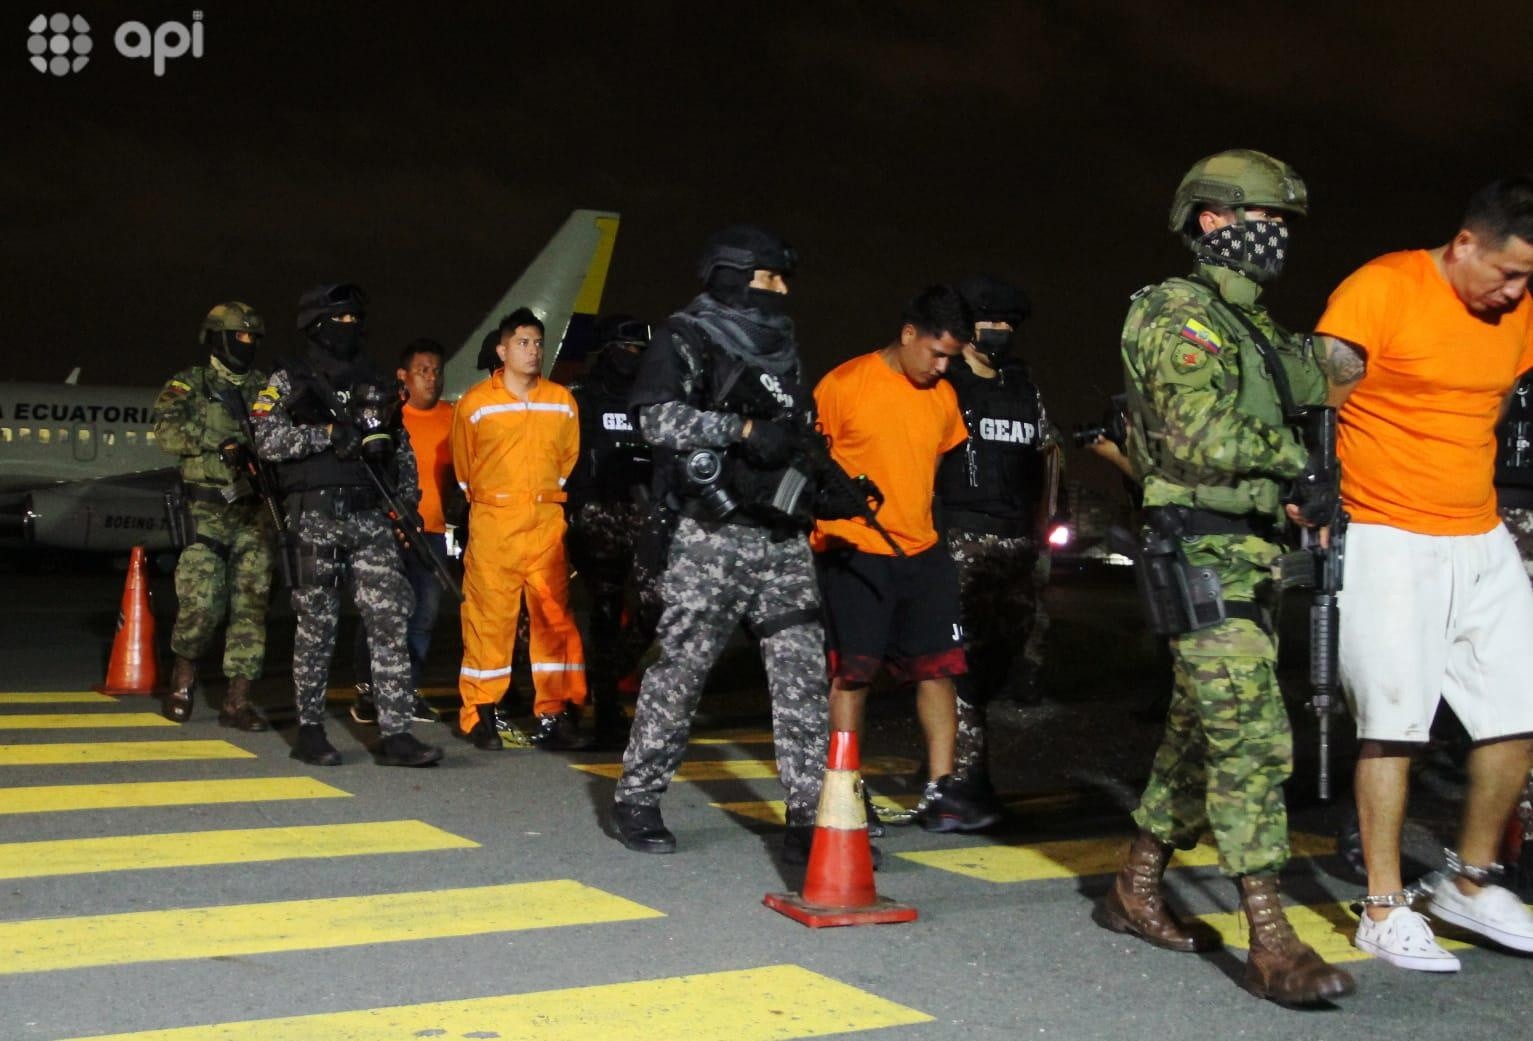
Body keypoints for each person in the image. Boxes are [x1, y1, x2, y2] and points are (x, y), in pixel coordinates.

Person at [1101, 149, 1353, 1005]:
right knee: (1250, 738)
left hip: (1249, 555)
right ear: (1211, 218)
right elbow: (1201, 434)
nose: (1277, 236)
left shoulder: (1253, 326)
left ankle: (1134, 886)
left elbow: (1333, 373)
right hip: (1199, 547)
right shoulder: (1177, 312)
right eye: (1265, 218)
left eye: (1283, 223)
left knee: (1196, 731)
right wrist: (1297, 465)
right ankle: (1270, 936)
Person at [1316, 176, 1533, 969]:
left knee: (1518, 707)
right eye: (1505, 272)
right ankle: (1381, 904)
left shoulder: (1517, 312)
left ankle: (1470, 886)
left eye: (1528, 280)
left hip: (1477, 532)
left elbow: (1497, 399)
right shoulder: (1383, 287)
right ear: (1464, 242)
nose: (1513, 292)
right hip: (1385, 530)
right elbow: (1321, 400)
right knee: (1392, 720)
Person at [613, 225, 829, 861]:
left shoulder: (783, 345)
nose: (784, 290)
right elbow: (654, 418)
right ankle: (638, 797)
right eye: (771, 278)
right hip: (711, 533)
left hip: (780, 534)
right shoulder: (686, 335)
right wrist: (739, 427)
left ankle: (811, 817)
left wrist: (818, 474)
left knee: (802, 677)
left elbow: (795, 428)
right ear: (735, 274)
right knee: (681, 670)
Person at [813, 284, 996, 834]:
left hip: (921, 550)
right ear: (908, 333)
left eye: (952, 357)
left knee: (938, 670)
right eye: (936, 353)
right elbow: (809, 468)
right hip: (853, 550)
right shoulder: (844, 385)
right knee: (853, 674)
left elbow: (929, 474)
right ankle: (845, 789)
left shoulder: (942, 397)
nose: (942, 366)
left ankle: (941, 790)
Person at [251, 283, 443, 768]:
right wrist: (327, 435)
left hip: (370, 515)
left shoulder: (375, 380)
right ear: (315, 323)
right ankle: (310, 729)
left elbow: (398, 449)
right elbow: (267, 440)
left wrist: (406, 507)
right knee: (317, 622)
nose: (349, 328)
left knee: (389, 617)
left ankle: (396, 732)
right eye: (340, 319)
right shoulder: (288, 377)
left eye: (356, 319)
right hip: (315, 514)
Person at [453, 307, 588, 751]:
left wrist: (540, 498)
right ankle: (480, 712)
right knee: (488, 621)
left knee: (553, 620)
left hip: (546, 523)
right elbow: (463, 469)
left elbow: (567, 462)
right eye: (523, 343)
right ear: (502, 349)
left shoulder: (561, 401)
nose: (532, 351)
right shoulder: (476, 404)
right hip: (495, 524)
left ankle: (555, 713)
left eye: (537, 343)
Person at [938, 274, 1048, 811]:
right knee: (961, 663)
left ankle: (951, 756)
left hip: (1016, 544)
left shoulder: (1023, 387)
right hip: (961, 538)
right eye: (991, 321)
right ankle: (964, 781)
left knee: (1002, 660)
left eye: (1009, 324)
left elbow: (1046, 454)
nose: (1001, 331)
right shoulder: (946, 385)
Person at [151, 301, 274, 731]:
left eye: (253, 338)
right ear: (218, 338)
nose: (247, 344)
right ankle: (182, 684)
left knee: (251, 607)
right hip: (205, 509)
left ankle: (237, 702)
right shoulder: (191, 383)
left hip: (253, 511)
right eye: (240, 336)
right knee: (200, 604)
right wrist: (217, 440)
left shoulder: (265, 387)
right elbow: (166, 431)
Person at [352, 339, 453, 726]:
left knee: (424, 615)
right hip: (389, 532)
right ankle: (367, 690)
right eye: (423, 370)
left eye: (437, 370)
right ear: (403, 376)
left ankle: (407, 690)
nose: (432, 377)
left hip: (432, 531)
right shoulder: (389, 417)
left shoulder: (454, 417)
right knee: (377, 614)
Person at [567, 314, 657, 747]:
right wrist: (578, 507)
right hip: (598, 515)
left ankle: (606, 675)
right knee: (603, 614)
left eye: (640, 352)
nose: (633, 359)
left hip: (643, 513)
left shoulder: (649, 400)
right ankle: (605, 708)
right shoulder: (583, 398)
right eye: (626, 350)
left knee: (659, 604)